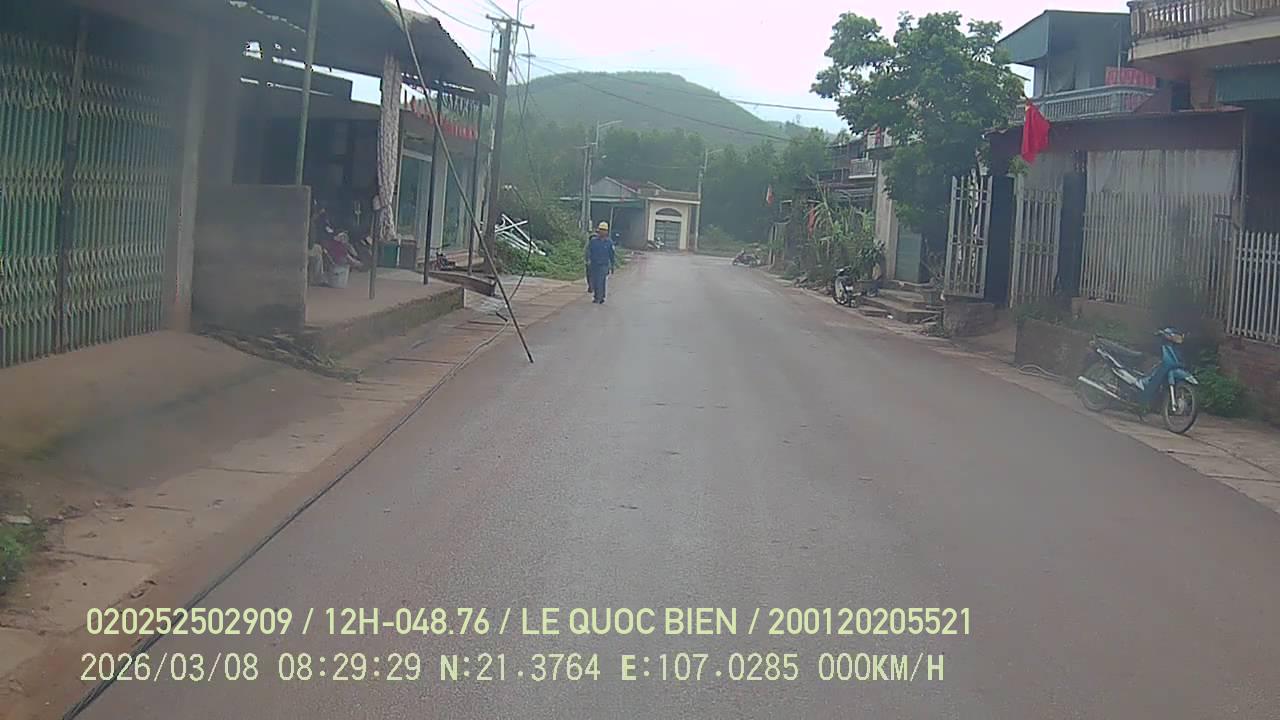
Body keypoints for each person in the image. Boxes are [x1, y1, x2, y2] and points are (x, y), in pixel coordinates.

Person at [585, 221, 616, 304]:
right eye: (601, 229)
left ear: (607, 231)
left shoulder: (609, 243)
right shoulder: (593, 241)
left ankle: (600, 297)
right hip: (594, 264)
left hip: (603, 265)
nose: (602, 231)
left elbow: (612, 255)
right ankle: (597, 296)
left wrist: (612, 266)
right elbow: (588, 251)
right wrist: (588, 260)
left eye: (604, 230)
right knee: (594, 281)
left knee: (601, 281)